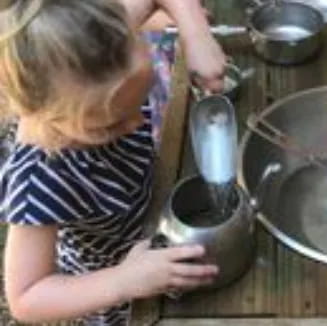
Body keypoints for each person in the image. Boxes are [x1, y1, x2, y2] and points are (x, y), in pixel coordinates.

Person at [0, 0, 226, 324]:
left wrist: (196, 36)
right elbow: (27, 297)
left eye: (140, 100)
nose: (135, 124)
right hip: (119, 286)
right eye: (108, 125)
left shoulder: (102, 40)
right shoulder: (39, 182)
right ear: (44, 114)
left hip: (154, 219)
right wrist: (123, 281)